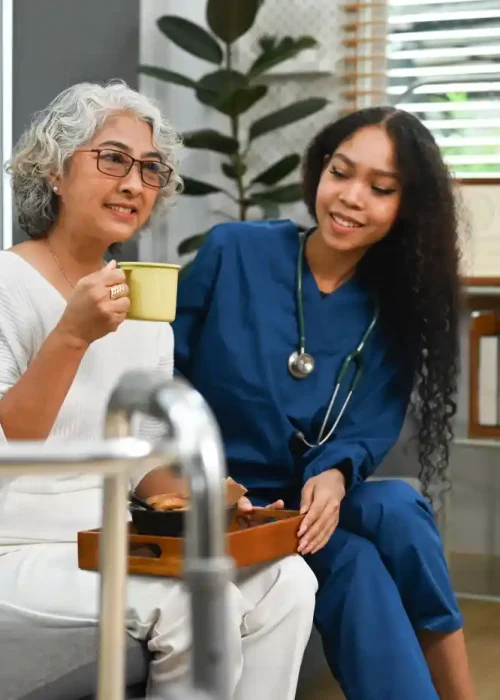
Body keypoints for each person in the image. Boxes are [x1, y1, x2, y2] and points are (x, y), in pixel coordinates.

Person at [0, 80, 317, 700]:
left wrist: (210, 501)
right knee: (196, 601)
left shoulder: (145, 306)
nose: (134, 183)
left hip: (111, 536)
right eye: (112, 158)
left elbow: (141, 463)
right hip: (16, 544)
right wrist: (72, 335)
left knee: (288, 580)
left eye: (151, 169)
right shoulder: (7, 282)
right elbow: (17, 437)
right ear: (53, 172)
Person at [172, 106, 477, 699]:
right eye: (341, 172)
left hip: (312, 504)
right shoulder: (233, 251)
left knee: (398, 512)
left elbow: (365, 430)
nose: (351, 197)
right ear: (319, 170)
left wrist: (336, 475)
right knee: (362, 562)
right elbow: (162, 369)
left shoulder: (397, 309)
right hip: (226, 498)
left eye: (381, 188)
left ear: (405, 208)